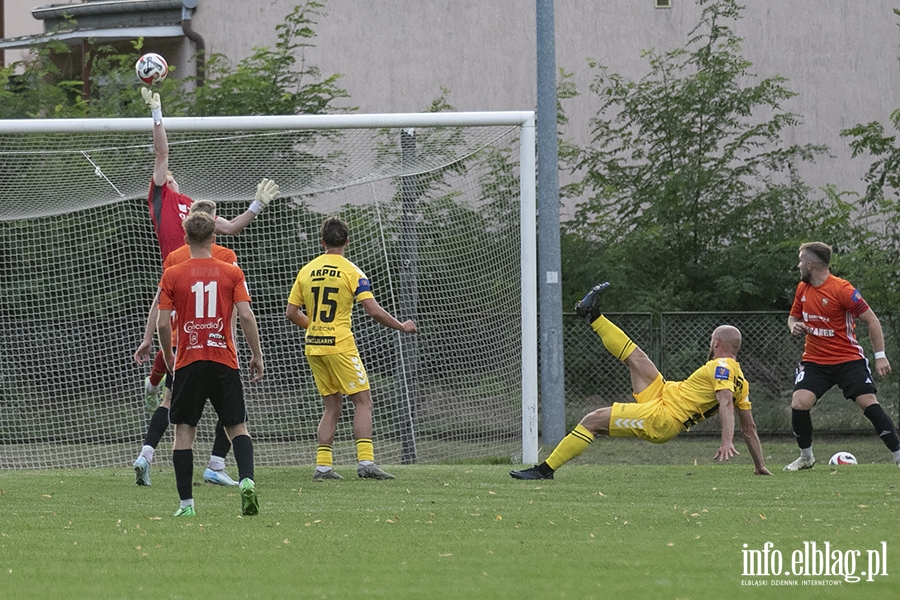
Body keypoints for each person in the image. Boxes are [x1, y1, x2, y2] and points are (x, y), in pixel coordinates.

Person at [510, 282, 772, 480]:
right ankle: (593, 315)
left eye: (710, 340)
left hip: (664, 417)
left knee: (592, 420)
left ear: (716, 342)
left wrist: (727, 441)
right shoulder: (742, 381)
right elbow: (749, 428)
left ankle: (544, 471)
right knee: (637, 357)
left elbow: (725, 403)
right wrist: (759, 465)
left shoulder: (722, 367)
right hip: (663, 395)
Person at [139, 86, 278, 410]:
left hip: (203, 270)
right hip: (177, 270)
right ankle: (158, 383)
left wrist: (257, 204)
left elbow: (229, 228)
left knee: (193, 332)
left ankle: (162, 383)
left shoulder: (193, 207)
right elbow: (162, 154)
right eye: (164, 178)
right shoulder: (161, 198)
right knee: (169, 329)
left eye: (172, 179)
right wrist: (157, 116)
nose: (169, 180)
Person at [286, 216, 417, 481]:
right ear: (347, 241)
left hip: (314, 346)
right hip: (340, 345)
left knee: (331, 407)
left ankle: (323, 467)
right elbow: (372, 311)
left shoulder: (307, 270)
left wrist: (315, 327)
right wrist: (401, 326)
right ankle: (366, 463)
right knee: (363, 402)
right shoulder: (352, 272)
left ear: (322, 241)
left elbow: (291, 312)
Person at [157, 211, 263, 517]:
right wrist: (257, 355)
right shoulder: (231, 272)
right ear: (214, 238)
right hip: (223, 359)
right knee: (237, 426)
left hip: (189, 359)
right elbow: (245, 315)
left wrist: (168, 356)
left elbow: (164, 324)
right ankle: (246, 481)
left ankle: (187, 505)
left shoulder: (173, 274)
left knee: (183, 432)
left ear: (187, 238)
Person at [132, 200, 243, 487]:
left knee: (172, 406)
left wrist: (148, 339)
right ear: (212, 226)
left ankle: (146, 454)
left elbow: (160, 306)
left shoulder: (175, 257)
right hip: (218, 343)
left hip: (182, 345)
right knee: (232, 413)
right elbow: (235, 304)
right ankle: (217, 463)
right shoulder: (227, 256)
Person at [784, 242, 900, 471]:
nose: (798, 266)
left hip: (848, 360)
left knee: (869, 404)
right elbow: (793, 317)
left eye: (800, 261)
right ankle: (806, 457)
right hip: (815, 361)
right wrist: (794, 326)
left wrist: (880, 356)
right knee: (799, 403)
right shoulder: (802, 289)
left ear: (810, 265)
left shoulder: (842, 289)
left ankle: (897, 454)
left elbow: (872, 320)